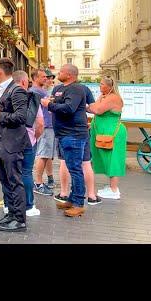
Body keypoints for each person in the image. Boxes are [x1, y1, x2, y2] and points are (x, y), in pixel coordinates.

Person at [41, 63, 89, 217]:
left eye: (61, 71)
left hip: (74, 134)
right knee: (71, 167)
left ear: (69, 74)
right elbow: (59, 104)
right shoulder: (58, 88)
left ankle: (79, 203)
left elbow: (69, 108)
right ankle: (72, 199)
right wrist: (52, 102)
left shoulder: (76, 88)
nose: (57, 73)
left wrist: (50, 104)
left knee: (75, 169)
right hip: (62, 134)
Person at [0, 58, 29, 232]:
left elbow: (21, 118)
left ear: (1, 71)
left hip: (11, 143)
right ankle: (11, 214)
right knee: (5, 181)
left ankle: (19, 219)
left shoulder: (16, 90)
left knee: (14, 181)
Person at [53, 81, 101, 205]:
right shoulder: (84, 88)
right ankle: (90, 195)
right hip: (81, 130)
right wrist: (82, 107)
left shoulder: (58, 88)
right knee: (85, 164)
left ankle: (66, 195)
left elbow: (61, 108)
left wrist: (77, 106)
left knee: (68, 164)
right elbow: (94, 108)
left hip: (69, 132)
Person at [9, 70, 44, 217]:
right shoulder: (32, 98)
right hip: (28, 140)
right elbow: (40, 123)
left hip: (10, 141)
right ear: (24, 82)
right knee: (26, 172)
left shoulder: (6, 95)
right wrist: (35, 137)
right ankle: (29, 205)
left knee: (12, 173)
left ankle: (10, 205)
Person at [87, 76, 127, 199]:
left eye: (102, 84)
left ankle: (114, 190)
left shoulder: (113, 98)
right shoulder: (104, 96)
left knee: (113, 160)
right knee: (106, 159)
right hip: (105, 132)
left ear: (109, 86)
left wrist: (89, 107)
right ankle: (111, 187)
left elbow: (97, 109)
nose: (99, 86)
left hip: (112, 134)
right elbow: (93, 107)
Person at [31, 69, 55, 196]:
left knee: (45, 154)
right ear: (35, 78)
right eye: (43, 77)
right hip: (45, 126)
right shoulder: (36, 91)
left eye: (47, 77)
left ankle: (40, 182)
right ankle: (38, 183)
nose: (46, 78)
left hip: (47, 125)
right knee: (43, 155)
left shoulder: (41, 91)